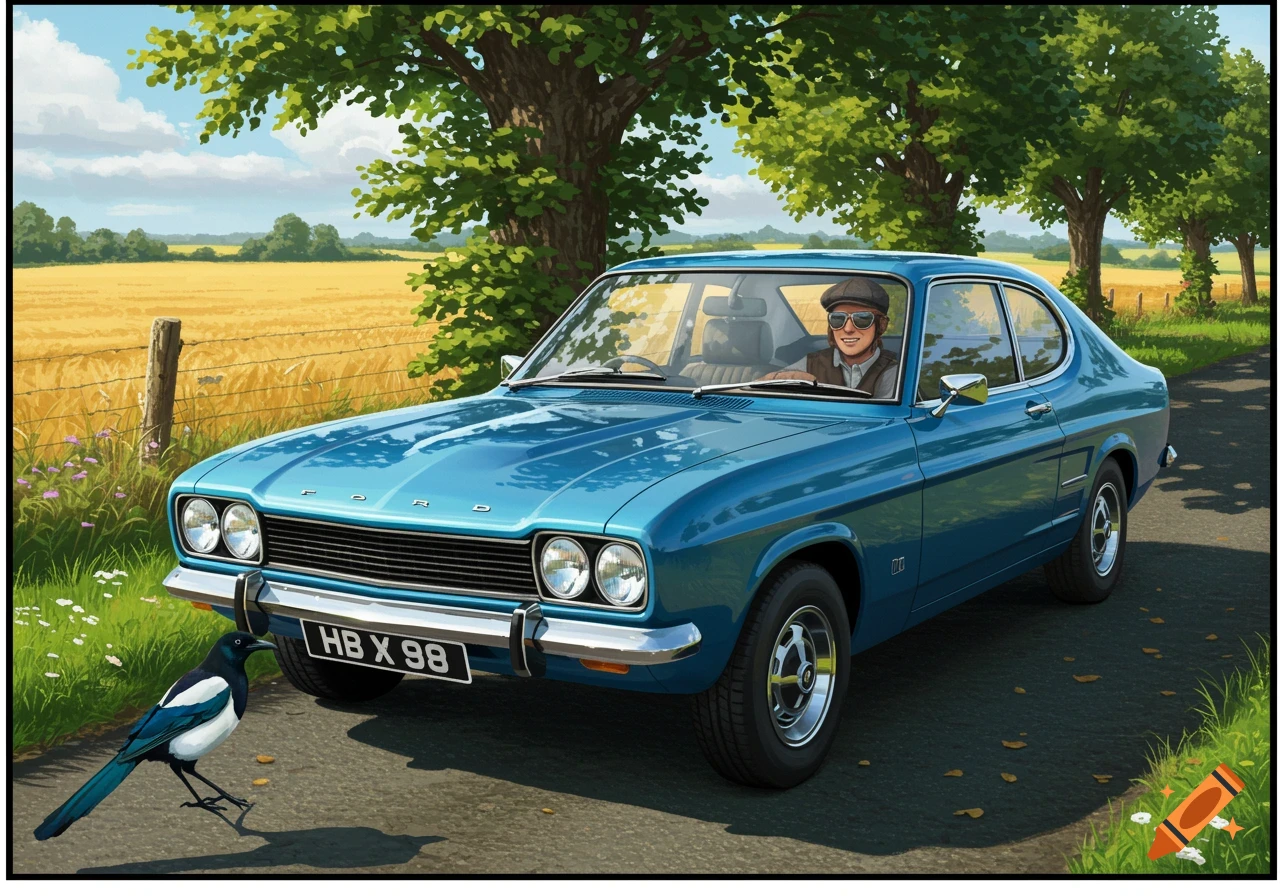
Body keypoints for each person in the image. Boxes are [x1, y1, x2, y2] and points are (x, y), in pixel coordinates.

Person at [766, 277, 899, 398]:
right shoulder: (812, 363)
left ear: (881, 325)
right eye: (838, 319)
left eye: (862, 319)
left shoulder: (894, 369)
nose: (848, 329)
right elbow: (766, 387)